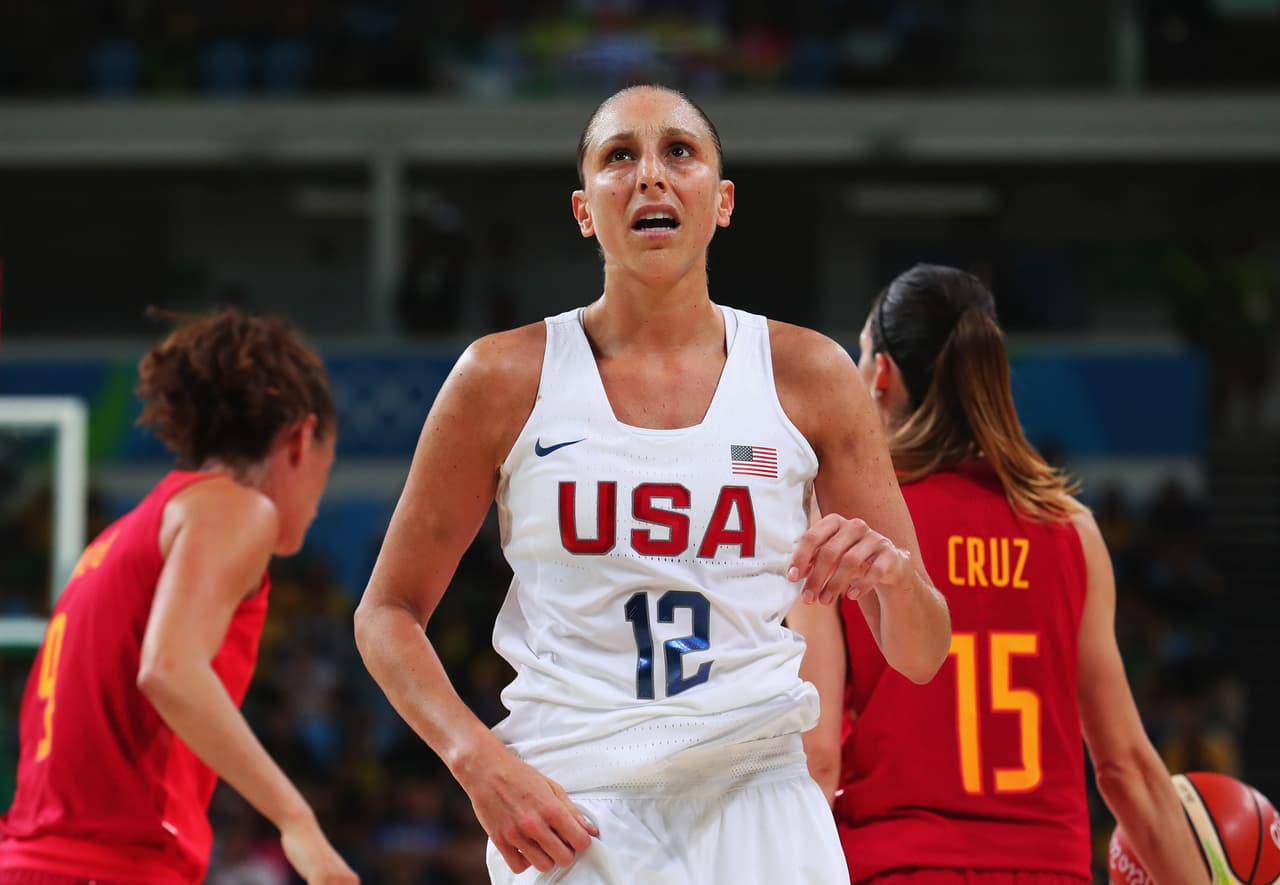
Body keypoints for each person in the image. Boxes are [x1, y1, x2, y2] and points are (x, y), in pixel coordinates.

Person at [354, 84, 951, 885]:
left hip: (760, 793)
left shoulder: (810, 373)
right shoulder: (500, 376)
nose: (650, 177)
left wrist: (895, 575)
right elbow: (386, 613)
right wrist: (478, 762)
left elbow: (921, 651)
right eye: (618, 157)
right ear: (583, 209)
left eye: (679, 152)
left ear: (723, 199)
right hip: (576, 800)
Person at [787, 264, 1210, 884]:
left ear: (880, 376)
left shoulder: (844, 525)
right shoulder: (1072, 531)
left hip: (903, 865)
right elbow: (1126, 769)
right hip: (1048, 868)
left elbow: (818, 757)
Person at [0, 308, 358, 885]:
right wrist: (298, 822)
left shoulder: (124, 535)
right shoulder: (236, 507)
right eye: (326, 467)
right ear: (299, 440)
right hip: (107, 866)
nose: (316, 501)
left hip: (37, 858)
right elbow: (168, 669)